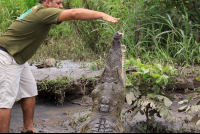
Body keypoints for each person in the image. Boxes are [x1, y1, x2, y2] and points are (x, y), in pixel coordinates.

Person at [0, 0, 120, 133]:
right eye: (58, 3)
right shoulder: (42, 12)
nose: (61, 6)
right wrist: (101, 14)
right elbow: (74, 13)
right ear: (47, 2)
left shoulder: (39, 10)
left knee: (30, 92)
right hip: (7, 56)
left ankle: (28, 129)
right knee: (5, 102)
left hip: (18, 58)